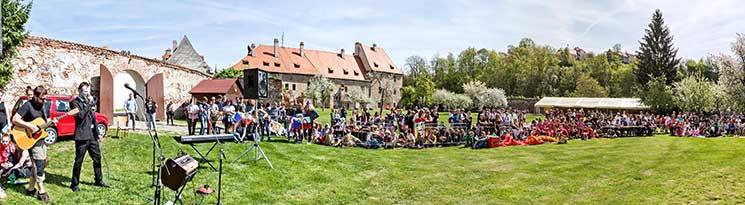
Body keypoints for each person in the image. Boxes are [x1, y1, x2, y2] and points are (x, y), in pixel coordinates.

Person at [12, 86, 55, 203]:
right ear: (35, 97)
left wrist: (52, 123)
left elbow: (46, 121)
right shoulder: (27, 105)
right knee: (39, 163)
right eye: (42, 98)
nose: (44, 100)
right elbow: (15, 119)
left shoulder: (46, 105)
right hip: (29, 138)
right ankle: (41, 191)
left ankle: (31, 189)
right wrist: (29, 126)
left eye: (45, 98)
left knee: (38, 163)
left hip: (40, 138)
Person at [69, 82, 109, 192]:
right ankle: (74, 184)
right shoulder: (74, 103)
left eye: (88, 91)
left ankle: (99, 180)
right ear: (80, 91)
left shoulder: (88, 102)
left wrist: (98, 133)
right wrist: (89, 105)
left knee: (97, 158)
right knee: (79, 161)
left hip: (92, 135)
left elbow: (93, 118)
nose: (87, 93)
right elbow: (80, 116)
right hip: (82, 136)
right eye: (84, 91)